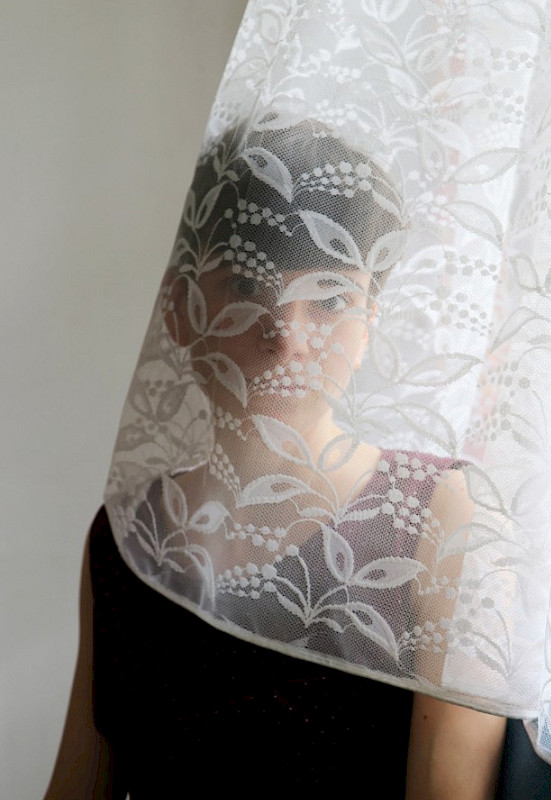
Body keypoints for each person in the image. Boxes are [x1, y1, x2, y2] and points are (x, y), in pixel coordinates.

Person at [44, 121, 508, 799]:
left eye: (329, 298)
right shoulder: (129, 535)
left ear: (369, 323)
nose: (286, 336)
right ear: (179, 310)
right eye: (244, 282)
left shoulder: (440, 518)